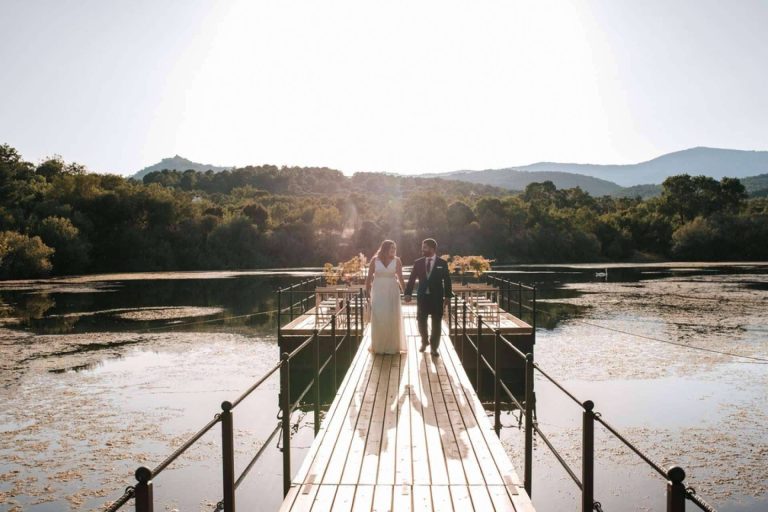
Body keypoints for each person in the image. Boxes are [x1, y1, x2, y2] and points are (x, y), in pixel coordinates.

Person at [404, 238, 452, 357]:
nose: (422, 249)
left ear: (432, 249)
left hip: (437, 297)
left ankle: (434, 348)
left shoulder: (442, 263)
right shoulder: (418, 262)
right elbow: (411, 279)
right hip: (422, 297)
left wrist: (448, 296)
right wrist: (408, 293)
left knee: (436, 322)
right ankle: (424, 341)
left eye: (425, 247)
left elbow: (447, 280)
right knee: (421, 320)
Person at [365, 240, 407, 354]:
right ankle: (378, 346)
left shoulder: (397, 261)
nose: (393, 250)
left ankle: (392, 346)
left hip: (392, 291)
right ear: (384, 249)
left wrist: (406, 293)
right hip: (378, 291)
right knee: (379, 316)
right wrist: (367, 291)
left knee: (392, 316)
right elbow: (369, 278)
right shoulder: (375, 260)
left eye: (395, 248)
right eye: (391, 248)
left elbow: (400, 278)